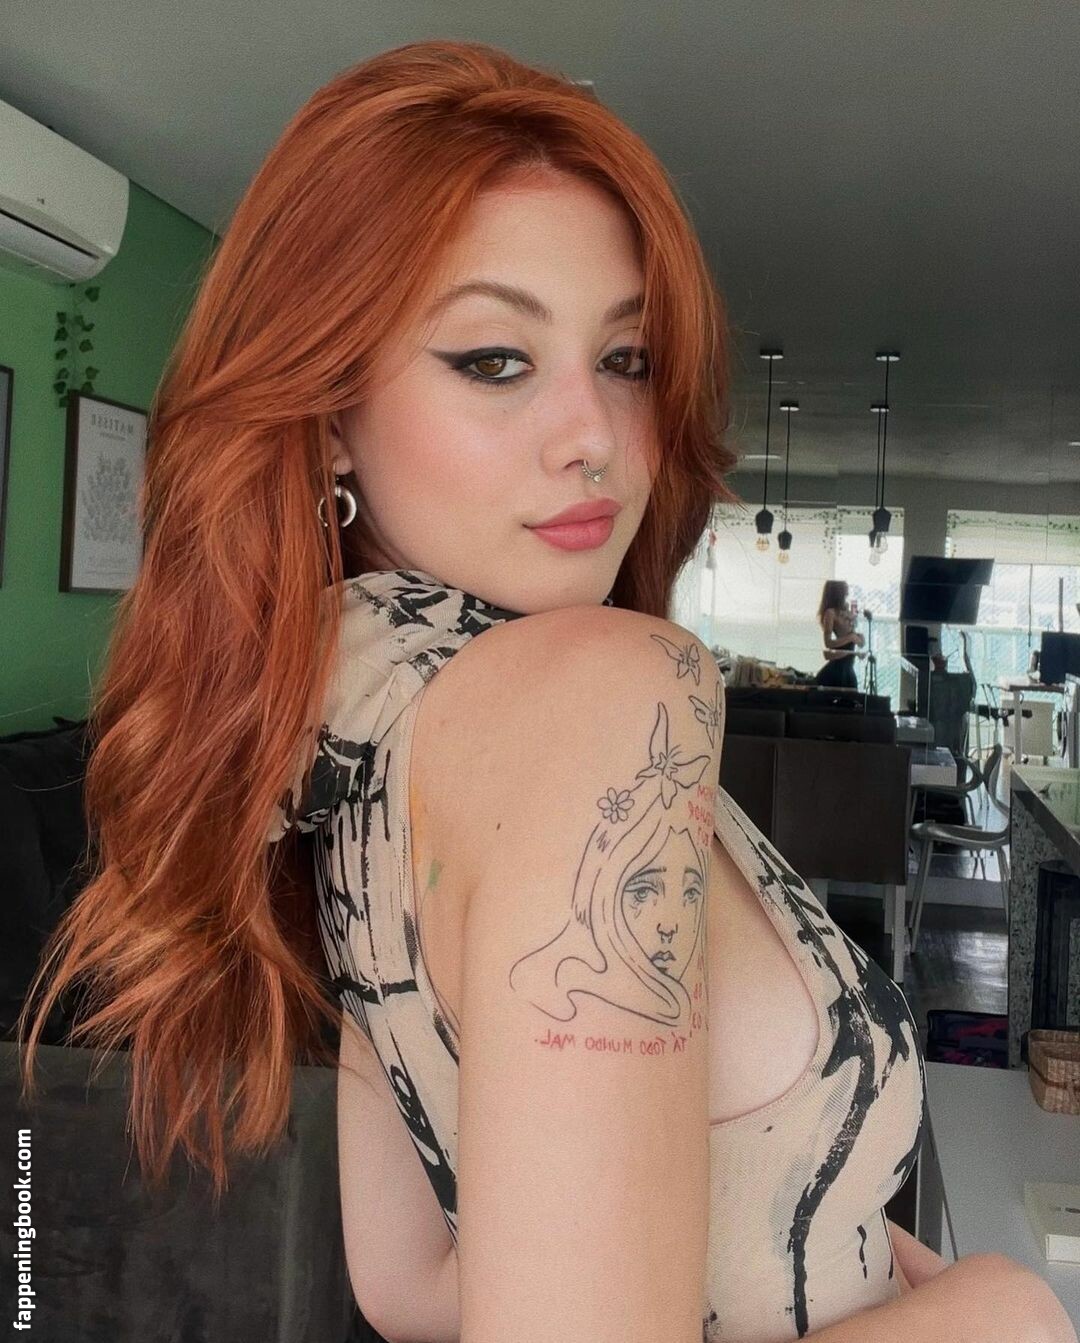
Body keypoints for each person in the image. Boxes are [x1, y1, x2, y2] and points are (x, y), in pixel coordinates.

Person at [16, 39, 1073, 1343]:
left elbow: (417, 1282)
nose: (597, 436)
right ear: (329, 415)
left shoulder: (352, 739)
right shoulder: (600, 694)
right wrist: (999, 1317)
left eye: (626, 358)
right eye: (493, 358)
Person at [815, 579, 865, 690]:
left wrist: (858, 639)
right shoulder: (830, 613)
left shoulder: (848, 610)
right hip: (837, 668)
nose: (847, 594)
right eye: (845, 591)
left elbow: (860, 643)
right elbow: (828, 643)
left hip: (849, 666)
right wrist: (850, 638)